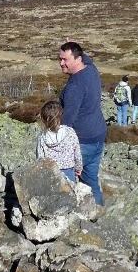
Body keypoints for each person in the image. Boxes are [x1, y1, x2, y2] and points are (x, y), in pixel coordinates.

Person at [58, 40, 107, 206]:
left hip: (82, 142)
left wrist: (60, 148)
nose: (61, 63)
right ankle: (98, 213)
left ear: (78, 59)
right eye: (60, 59)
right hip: (98, 137)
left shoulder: (75, 86)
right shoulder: (91, 70)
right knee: (91, 181)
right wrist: (74, 48)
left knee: (67, 181)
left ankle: (70, 214)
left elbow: (67, 121)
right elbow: (87, 59)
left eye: (65, 59)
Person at [35, 99, 80, 184]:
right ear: (61, 115)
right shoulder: (70, 132)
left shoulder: (42, 137)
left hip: (51, 173)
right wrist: (78, 168)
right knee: (70, 195)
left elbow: (40, 158)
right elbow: (77, 153)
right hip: (68, 171)